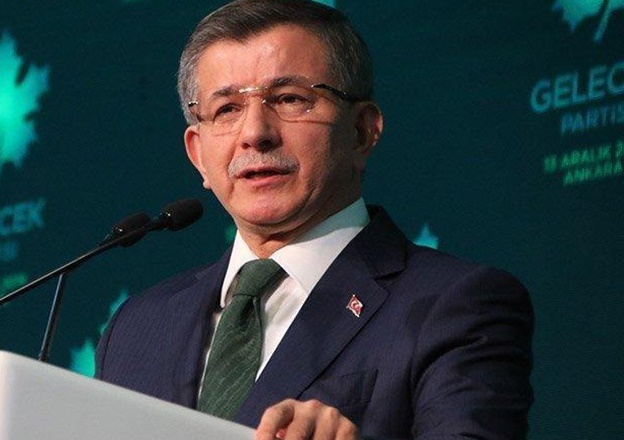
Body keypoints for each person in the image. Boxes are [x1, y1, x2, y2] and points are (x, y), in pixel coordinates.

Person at [95, 0, 533, 439]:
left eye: (290, 99)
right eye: (227, 109)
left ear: (361, 132)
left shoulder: (453, 304)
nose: (255, 134)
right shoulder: (137, 328)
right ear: (198, 154)